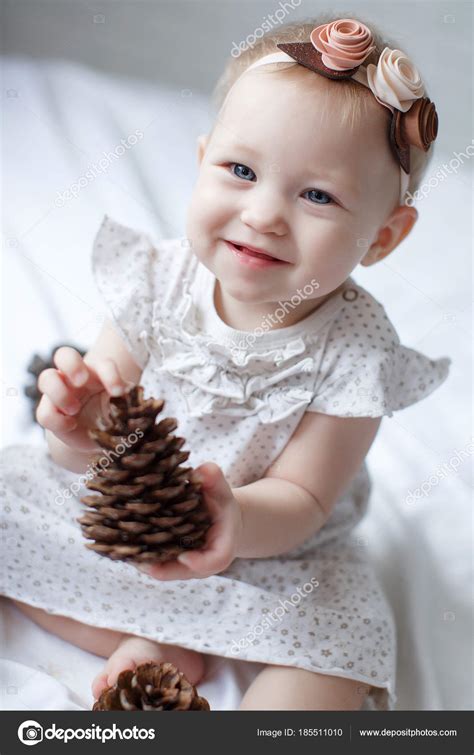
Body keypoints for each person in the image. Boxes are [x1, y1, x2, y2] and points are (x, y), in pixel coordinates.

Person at [1, 15, 450, 710]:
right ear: (203, 159)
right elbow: (98, 441)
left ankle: (199, 667)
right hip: (133, 529)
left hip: (275, 553)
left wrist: (232, 520)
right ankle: (154, 641)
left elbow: (303, 499)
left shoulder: (357, 348)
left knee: (341, 652)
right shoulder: (156, 279)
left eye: (318, 195)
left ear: (383, 237)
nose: (265, 213)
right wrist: (71, 422)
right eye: (240, 171)